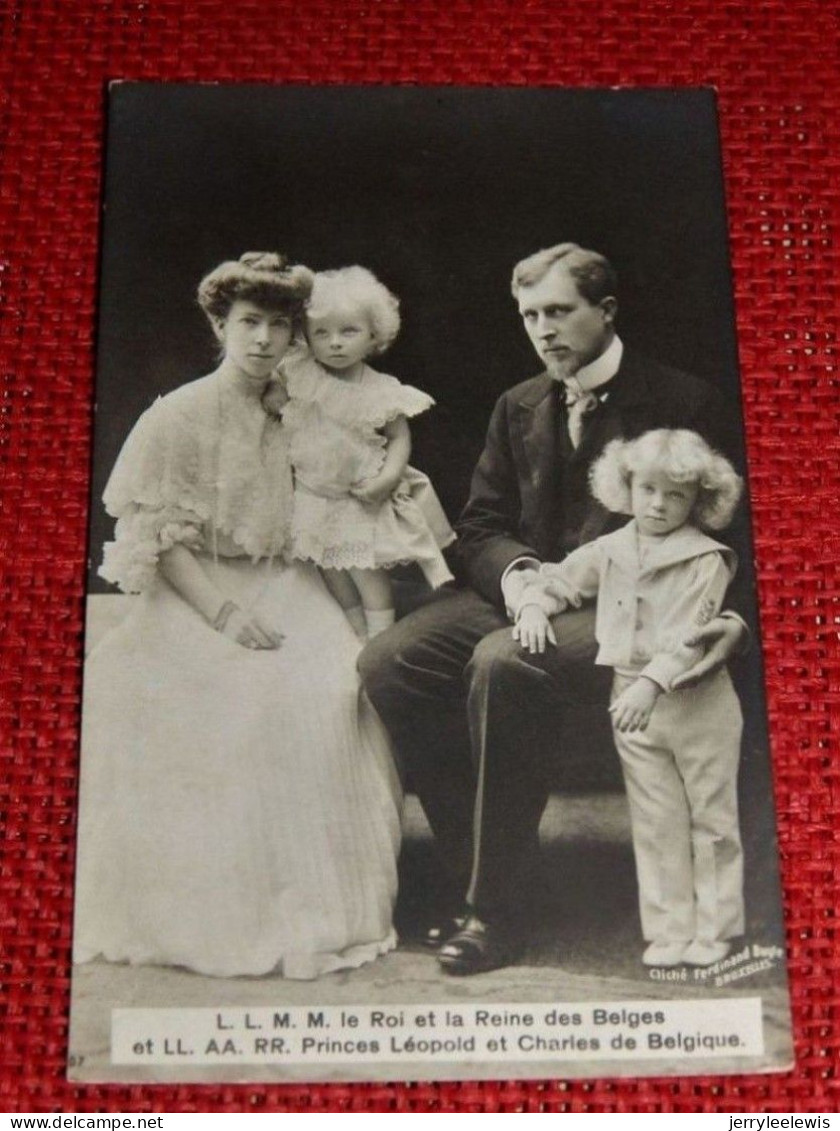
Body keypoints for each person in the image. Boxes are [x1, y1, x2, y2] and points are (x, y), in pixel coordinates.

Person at [359, 242, 749, 975]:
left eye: (560, 311)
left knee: (504, 662)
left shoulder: (679, 400)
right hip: (528, 591)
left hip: (631, 604)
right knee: (392, 660)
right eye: (531, 314)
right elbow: (480, 525)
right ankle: (496, 871)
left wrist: (728, 621)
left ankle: (493, 912)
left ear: (605, 310)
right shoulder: (521, 403)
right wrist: (520, 580)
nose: (543, 328)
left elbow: (731, 526)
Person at [73, 252, 401, 980]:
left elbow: (326, 505)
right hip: (196, 595)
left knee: (333, 684)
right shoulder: (178, 415)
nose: (263, 341)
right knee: (244, 708)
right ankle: (227, 910)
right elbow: (158, 540)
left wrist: (353, 610)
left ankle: (326, 907)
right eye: (249, 323)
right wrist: (224, 615)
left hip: (287, 580)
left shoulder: (296, 409)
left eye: (280, 327)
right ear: (220, 325)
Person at [513, 429, 744, 969]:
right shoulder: (612, 547)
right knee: (655, 818)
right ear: (627, 488)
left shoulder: (708, 558)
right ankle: (668, 929)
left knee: (711, 818)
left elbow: (695, 630)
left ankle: (716, 927)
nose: (659, 505)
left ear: (699, 501)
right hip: (630, 698)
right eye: (648, 490)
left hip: (695, 700)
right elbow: (561, 579)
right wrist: (532, 604)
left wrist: (651, 683)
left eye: (676, 495)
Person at [266, 266, 454, 642]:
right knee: (328, 566)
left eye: (348, 332)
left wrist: (387, 479)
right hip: (312, 494)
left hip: (356, 498)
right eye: (322, 333)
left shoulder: (381, 391)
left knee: (364, 570)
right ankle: (353, 631)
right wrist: (277, 401)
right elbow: (277, 397)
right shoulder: (303, 374)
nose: (335, 343)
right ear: (307, 336)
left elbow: (400, 438)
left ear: (374, 336)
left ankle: (380, 633)